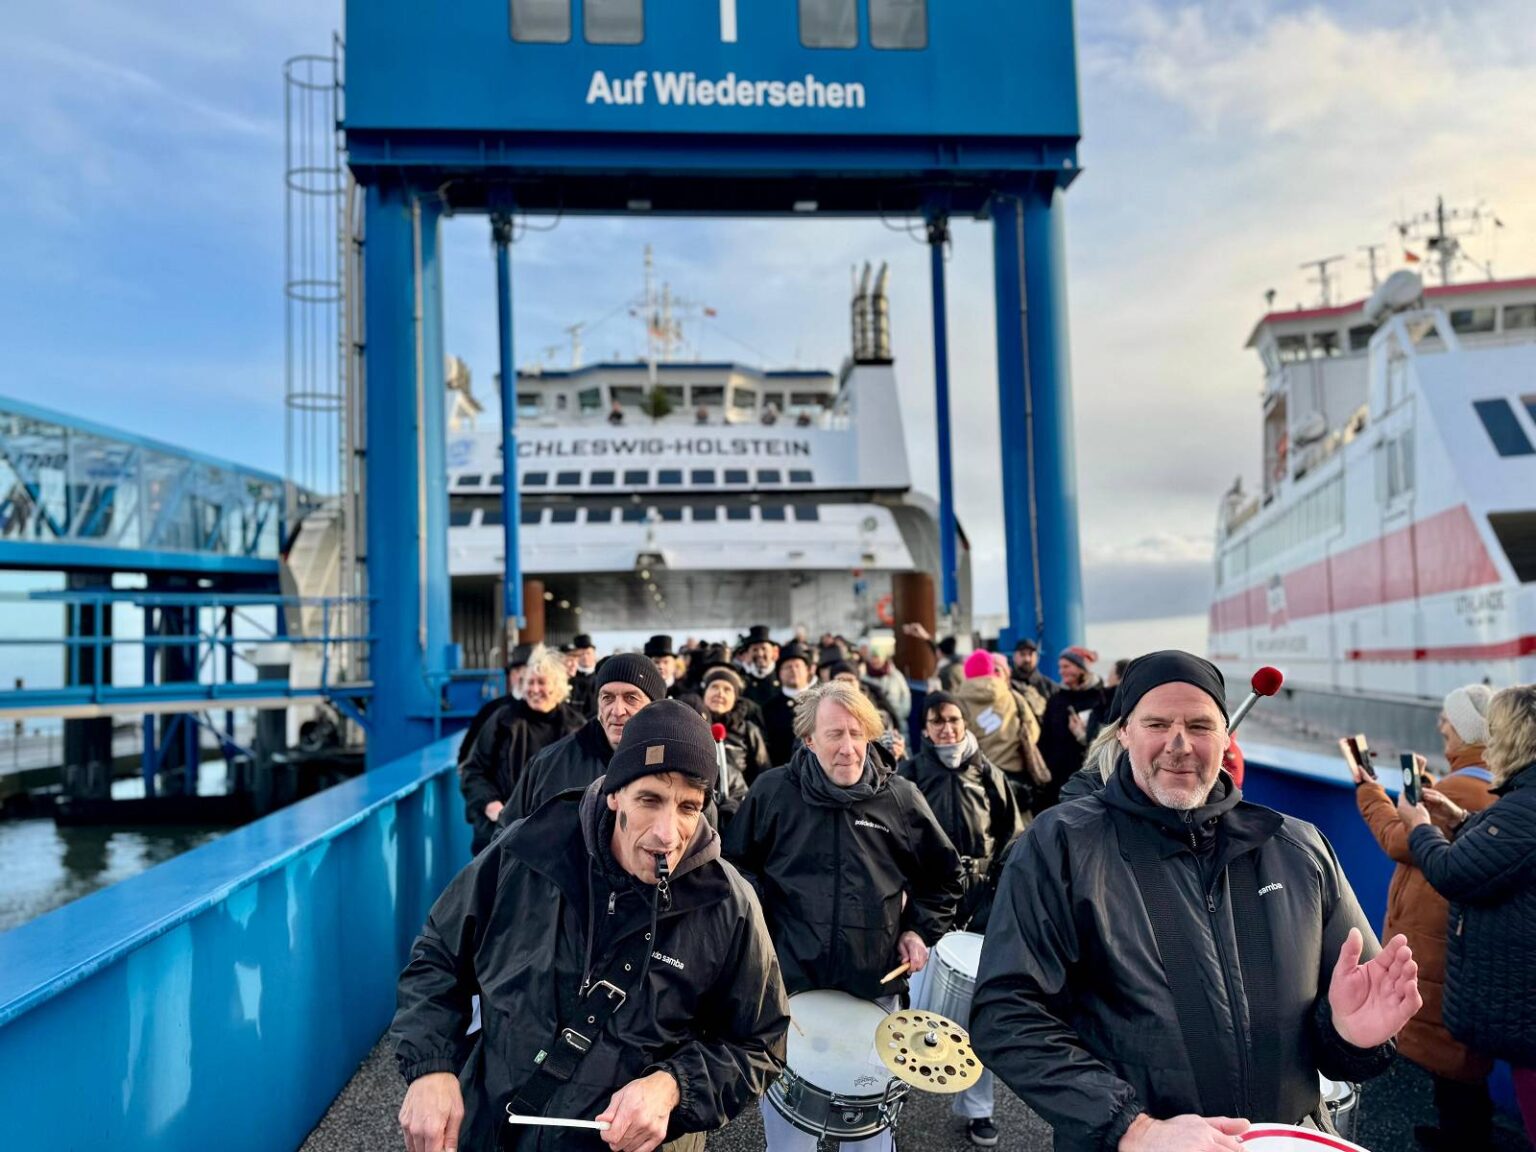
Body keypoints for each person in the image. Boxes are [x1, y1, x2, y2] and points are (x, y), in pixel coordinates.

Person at [972, 651, 1421, 1151]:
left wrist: (1351, 1036)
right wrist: (1133, 1128)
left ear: (1226, 737)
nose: (1179, 745)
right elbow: (1007, 1013)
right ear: (1124, 733)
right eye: (1158, 723)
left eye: (1200, 726)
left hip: (1278, 1139)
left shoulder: (1297, 849)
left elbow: (1342, 1034)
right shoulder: (1060, 845)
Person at [392, 700, 789, 1152]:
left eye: (688, 807)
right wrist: (432, 1069)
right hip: (495, 1127)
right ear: (614, 793)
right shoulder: (523, 855)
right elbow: (438, 957)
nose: (667, 832)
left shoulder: (728, 903)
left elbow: (761, 1042)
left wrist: (674, 1084)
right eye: (650, 799)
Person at [724, 680, 964, 1152]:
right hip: (789, 990)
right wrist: (763, 932)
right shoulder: (773, 792)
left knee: (869, 1143)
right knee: (789, 1142)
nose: (848, 747)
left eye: (857, 733)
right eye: (834, 734)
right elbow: (736, 871)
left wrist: (919, 928)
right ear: (809, 740)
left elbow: (945, 878)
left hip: (872, 988)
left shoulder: (900, 797)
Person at [1350, 685, 1498, 1150]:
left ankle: (1464, 1140)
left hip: (1438, 937)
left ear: (1469, 732)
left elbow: (1398, 838)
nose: (1441, 728)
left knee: (1452, 1061)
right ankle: (1461, 1134)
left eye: (1448, 723)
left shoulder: (1461, 788)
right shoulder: (1493, 782)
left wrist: (1367, 787)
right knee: (1457, 1061)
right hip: (1459, 935)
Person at [1402, 683, 1536, 1148]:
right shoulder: (1519, 798)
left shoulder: (1524, 805)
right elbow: (1500, 846)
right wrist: (1456, 819)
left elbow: (1454, 871)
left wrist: (1418, 823)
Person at [898, 692, 1028, 1148]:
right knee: (909, 1004)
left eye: (954, 720)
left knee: (977, 1012)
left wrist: (996, 904)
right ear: (926, 727)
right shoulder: (909, 773)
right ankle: (892, 1093)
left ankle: (978, 1109)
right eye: (938, 721)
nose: (947, 728)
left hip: (978, 906)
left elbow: (1014, 842)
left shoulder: (987, 772)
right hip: (926, 904)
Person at [504, 654, 667, 825]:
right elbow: (506, 837)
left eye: (631, 698)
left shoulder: (677, 764)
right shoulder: (548, 765)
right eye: (608, 698)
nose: (617, 711)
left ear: (654, 707)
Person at [459, 645, 586, 853]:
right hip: (502, 835)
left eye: (541, 682)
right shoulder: (503, 720)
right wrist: (490, 804)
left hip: (558, 842)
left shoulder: (577, 728)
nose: (534, 690)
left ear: (557, 686)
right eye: (529, 682)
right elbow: (473, 770)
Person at [955, 650, 1046, 805]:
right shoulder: (1013, 696)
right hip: (1014, 773)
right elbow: (1033, 733)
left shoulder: (957, 702)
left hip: (979, 775)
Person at [1034, 646, 1112, 812]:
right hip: (1058, 783)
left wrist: (1085, 736)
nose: (1061, 672)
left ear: (1081, 667)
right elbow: (1044, 741)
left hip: (1092, 781)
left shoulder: (1103, 698)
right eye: (1060, 667)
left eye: (1066, 666)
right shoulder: (1056, 700)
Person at [699, 665, 771, 818]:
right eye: (714, 687)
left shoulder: (748, 731)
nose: (720, 693)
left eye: (727, 689)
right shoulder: (691, 725)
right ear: (704, 692)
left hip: (738, 812)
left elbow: (764, 775)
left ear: (735, 698)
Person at [759, 641, 813, 767]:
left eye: (798, 666)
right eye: (788, 667)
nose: (793, 670)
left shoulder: (821, 701)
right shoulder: (769, 708)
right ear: (779, 674)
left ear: (807, 670)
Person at [862, 648, 911, 730]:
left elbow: (905, 694)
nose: (875, 661)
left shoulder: (895, 675)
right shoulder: (865, 678)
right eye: (872, 658)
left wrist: (902, 713)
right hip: (877, 721)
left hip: (898, 718)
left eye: (877, 657)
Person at [738, 625, 780, 710]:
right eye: (755, 650)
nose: (760, 654)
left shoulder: (781, 675)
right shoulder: (741, 678)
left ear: (773, 652)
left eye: (764, 649)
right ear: (748, 653)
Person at [568, 634, 599, 717]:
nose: (585, 657)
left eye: (588, 653)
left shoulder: (601, 676)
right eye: (581, 654)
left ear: (594, 654)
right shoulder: (570, 678)